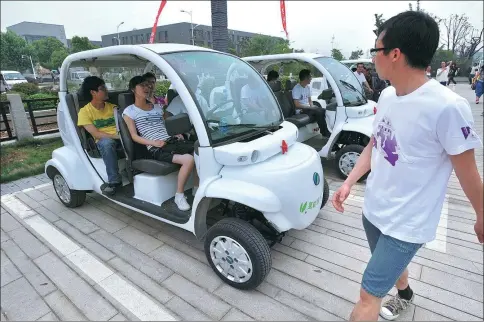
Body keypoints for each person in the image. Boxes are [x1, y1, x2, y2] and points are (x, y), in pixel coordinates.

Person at [332, 10, 483, 322]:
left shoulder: (448, 107)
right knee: (386, 264)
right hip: (374, 210)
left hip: (409, 223)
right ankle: (405, 295)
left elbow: (469, 173)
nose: (373, 57)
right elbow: (375, 144)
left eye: (376, 50)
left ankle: (390, 296)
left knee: (367, 295)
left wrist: (482, 215)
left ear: (395, 54)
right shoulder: (387, 96)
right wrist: (349, 182)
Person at [122, 75, 198, 211]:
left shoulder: (157, 107)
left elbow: (166, 125)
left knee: (200, 150)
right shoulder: (129, 111)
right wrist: (153, 142)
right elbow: (134, 136)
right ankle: (179, 196)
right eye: (142, 85)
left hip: (171, 141)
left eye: (147, 85)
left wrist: (176, 132)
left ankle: (196, 189)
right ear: (133, 89)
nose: (146, 88)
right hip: (156, 147)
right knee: (188, 159)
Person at [77, 76, 123, 195]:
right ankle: (114, 182)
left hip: (121, 136)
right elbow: (96, 133)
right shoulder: (84, 112)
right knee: (107, 143)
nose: (106, 90)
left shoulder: (113, 107)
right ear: (93, 92)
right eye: (102, 88)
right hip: (103, 141)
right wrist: (118, 137)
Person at [292, 69, 331, 136]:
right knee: (318, 112)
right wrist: (310, 107)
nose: (311, 78)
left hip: (307, 108)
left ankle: (328, 130)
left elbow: (310, 101)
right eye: (310, 76)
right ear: (306, 78)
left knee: (324, 110)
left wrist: (312, 106)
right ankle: (325, 133)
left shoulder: (308, 87)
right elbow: (297, 105)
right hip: (300, 110)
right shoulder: (296, 88)